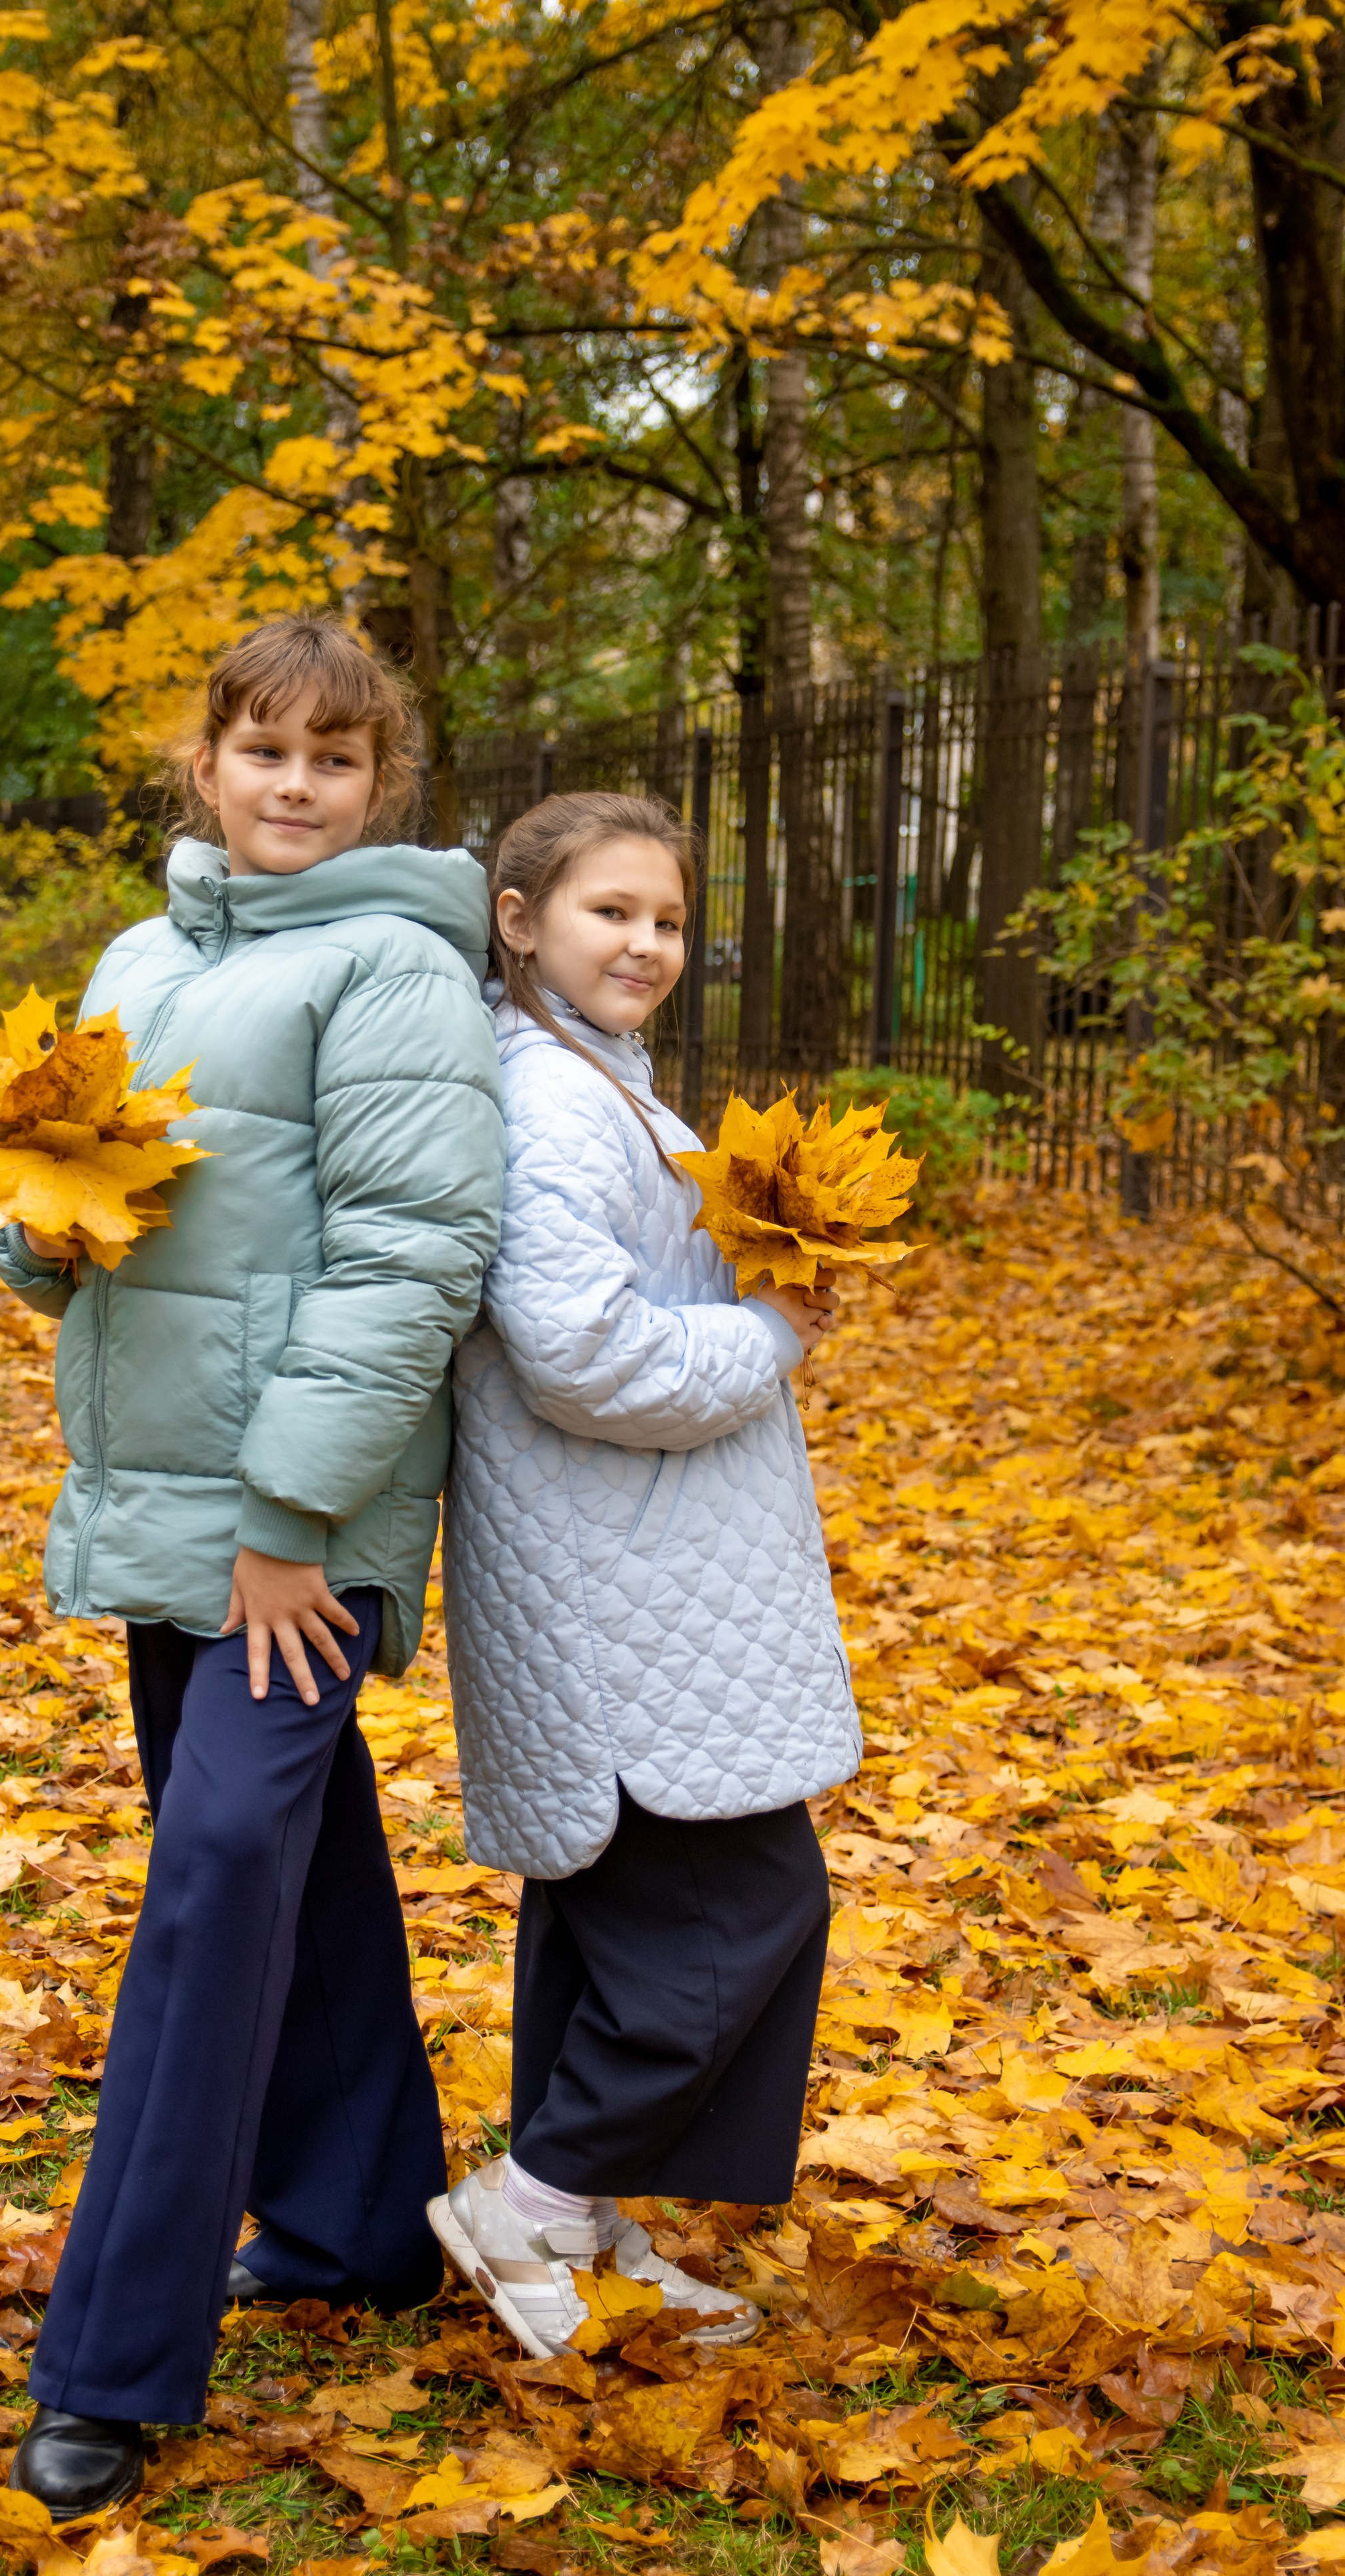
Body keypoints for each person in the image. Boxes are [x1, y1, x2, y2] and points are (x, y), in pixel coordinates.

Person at [0, 615, 505, 2513]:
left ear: (385, 786)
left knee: (210, 1895)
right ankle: (364, 2225)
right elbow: (106, 1196)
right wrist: (39, 1225)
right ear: (202, 764)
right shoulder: (147, 952)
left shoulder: (391, 969)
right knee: (292, 1872)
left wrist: (295, 1528)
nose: (295, 784)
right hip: (166, 1515)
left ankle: (110, 2367)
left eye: (336, 759)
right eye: (264, 749)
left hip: (295, 1533)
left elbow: (408, 1266)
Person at [433, 789, 860, 2358]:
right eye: (609, 911)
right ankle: (530, 2204)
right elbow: (576, 1352)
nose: (646, 943)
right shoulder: (549, 1099)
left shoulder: (602, 1087)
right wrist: (769, 1335)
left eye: (667, 919)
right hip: (616, 1590)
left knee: (620, 1920)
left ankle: (590, 2222)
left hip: (644, 1580)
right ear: (518, 917)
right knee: (734, 1916)